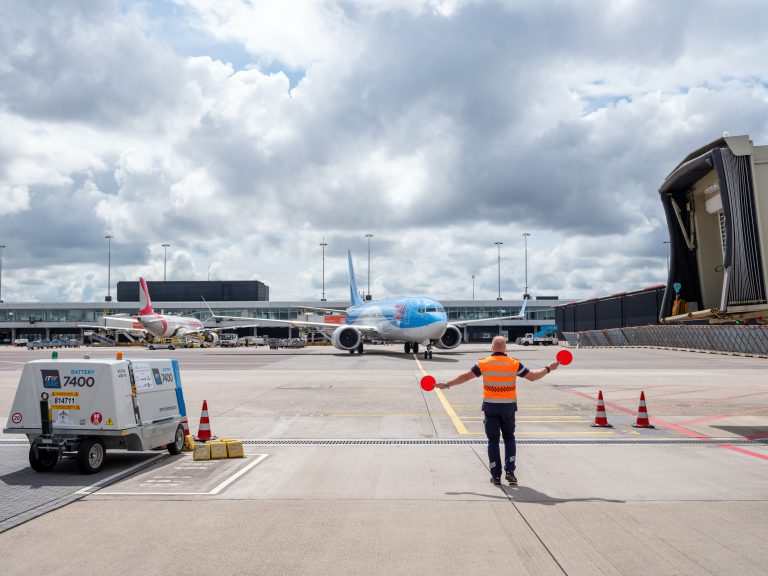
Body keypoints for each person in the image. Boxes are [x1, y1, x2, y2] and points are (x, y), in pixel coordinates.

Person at [436, 335, 559, 486]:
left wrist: (447, 384)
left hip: (490, 407)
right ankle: (510, 472)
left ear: (492, 348)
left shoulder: (483, 363)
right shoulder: (514, 364)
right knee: (509, 438)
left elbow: (465, 377)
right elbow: (533, 377)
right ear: (505, 348)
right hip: (508, 408)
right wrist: (548, 368)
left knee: (493, 441)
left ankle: (496, 476)